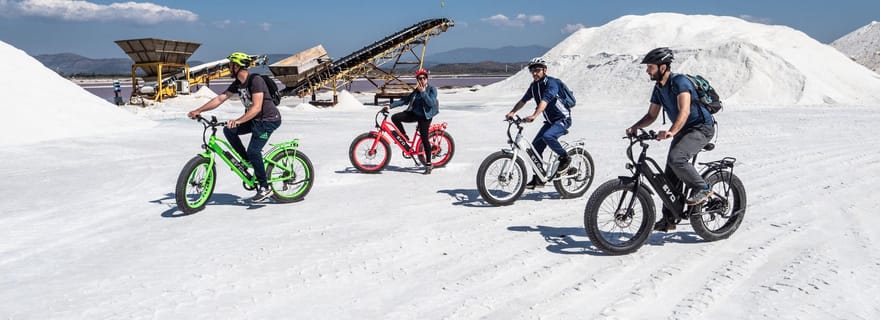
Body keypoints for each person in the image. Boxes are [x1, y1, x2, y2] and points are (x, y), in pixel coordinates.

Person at [626, 47, 716, 232]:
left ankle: (703, 188)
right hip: (683, 129)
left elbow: (685, 110)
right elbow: (651, 115)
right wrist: (635, 127)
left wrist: (671, 132)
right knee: (670, 176)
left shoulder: (680, 82)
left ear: (663, 67)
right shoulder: (658, 88)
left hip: (701, 128)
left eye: (650, 67)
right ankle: (669, 219)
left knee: (677, 159)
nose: (647, 71)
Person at [187, 52, 282, 202]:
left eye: (230, 65)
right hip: (254, 120)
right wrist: (199, 110)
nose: (228, 68)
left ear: (237, 66)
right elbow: (220, 98)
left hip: (268, 120)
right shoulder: (238, 83)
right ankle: (247, 160)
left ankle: (265, 187)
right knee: (228, 130)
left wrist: (238, 120)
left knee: (254, 150)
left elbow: (257, 108)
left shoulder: (255, 80)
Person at [505, 57, 573, 189]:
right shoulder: (534, 86)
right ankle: (539, 179)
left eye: (537, 70)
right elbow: (523, 100)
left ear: (544, 70)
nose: (535, 73)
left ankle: (565, 158)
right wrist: (512, 112)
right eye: (532, 71)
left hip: (562, 119)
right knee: (535, 149)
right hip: (549, 121)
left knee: (548, 136)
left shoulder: (551, 83)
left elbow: (545, 101)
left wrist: (534, 115)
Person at [382, 68, 439, 175]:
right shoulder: (416, 91)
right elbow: (404, 100)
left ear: (427, 79)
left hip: (425, 117)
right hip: (415, 114)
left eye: (423, 78)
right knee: (395, 117)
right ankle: (404, 136)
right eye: (419, 78)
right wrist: (390, 106)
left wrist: (423, 93)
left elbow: (431, 103)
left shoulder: (432, 89)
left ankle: (428, 164)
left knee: (424, 139)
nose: (422, 80)